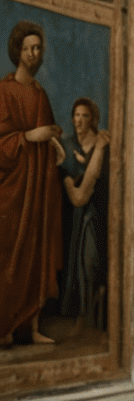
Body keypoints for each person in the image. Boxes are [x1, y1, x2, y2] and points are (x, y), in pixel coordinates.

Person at [0, 22, 64, 347]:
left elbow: (45, 128)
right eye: (28, 48)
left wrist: (53, 141)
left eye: (38, 48)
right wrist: (28, 136)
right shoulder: (5, 91)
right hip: (12, 189)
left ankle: (30, 326)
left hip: (38, 186)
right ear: (17, 51)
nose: (34, 54)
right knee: (10, 253)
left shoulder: (40, 93)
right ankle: (5, 327)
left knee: (35, 252)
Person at [59, 97, 109, 337]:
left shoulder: (103, 145)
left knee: (91, 264)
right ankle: (82, 317)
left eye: (85, 116)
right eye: (76, 116)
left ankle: (90, 317)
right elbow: (77, 197)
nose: (79, 121)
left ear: (93, 120)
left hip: (99, 215)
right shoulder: (67, 146)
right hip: (74, 218)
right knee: (78, 267)